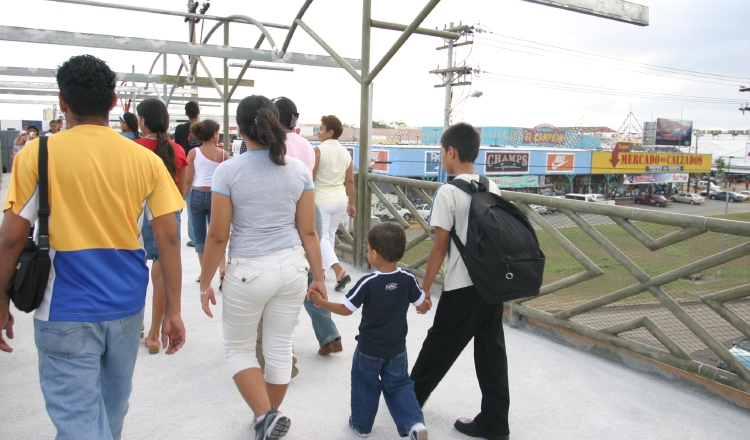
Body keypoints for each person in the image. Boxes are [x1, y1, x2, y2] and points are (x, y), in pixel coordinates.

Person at [0, 54, 186, 439]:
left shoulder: (37, 153)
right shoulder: (145, 159)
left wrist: (1, 301)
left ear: (62, 101)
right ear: (115, 101)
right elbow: (168, 239)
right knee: (111, 415)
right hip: (127, 306)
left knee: (80, 424)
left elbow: (11, 239)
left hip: (63, 308)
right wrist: (173, 310)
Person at [198, 95, 326, 440]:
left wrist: (205, 281)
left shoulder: (228, 171)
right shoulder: (298, 169)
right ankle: (268, 418)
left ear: (239, 129)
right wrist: (320, 276)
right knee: (280, 348)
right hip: (293, 268)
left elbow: (218, 236)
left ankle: (263, 415)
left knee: (238, 349)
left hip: (247, 271)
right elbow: (309, 230)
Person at [410, 122, 511, 440]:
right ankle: (495, 422)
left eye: (442, 152)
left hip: (462, 286)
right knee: (491, 353)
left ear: (451, 152)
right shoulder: (491, 185)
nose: (442, 157)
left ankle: (408, 402)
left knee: (438, 345)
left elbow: (439, 247)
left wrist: (424, 289)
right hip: (491, 285)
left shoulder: (449, 191)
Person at [310, 222, 431, 440]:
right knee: (400, 385)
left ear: (374, 253)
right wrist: (424, 307)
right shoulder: (407, 278)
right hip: (396, 349)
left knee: (365, 384)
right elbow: (423, 303)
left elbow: (346, 309)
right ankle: (414, 424)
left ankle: (362, 426)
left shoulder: (368, 282)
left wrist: (321, 302)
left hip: (369, 349)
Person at [274, 96, 342, 356]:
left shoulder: (273, 144)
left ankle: (282, 345)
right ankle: (329, 335)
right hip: (311, 208)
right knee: (313, 277)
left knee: (286, 277)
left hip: (288, 213)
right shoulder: (307, 145)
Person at [134, 98, 190, 354]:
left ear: (143, 121)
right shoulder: (177, 150)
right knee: (160, 276)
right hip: (167, 213)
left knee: (135, 271)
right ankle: (155, 335)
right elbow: (181, 189)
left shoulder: (133, 148)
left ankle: (137, 326)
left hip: (137, 214)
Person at [313, 114, 356, 292]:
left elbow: (311, 177)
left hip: (322, 200)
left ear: (330, 132)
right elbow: (350, 181)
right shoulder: (346, 152)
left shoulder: (318, 151)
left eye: (321, 129)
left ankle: (339, 270)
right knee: (329, 236)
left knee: (320, 237)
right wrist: (352, 204)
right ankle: (322, 271)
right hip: (340, 200)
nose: (318, 132)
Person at [184, 119, 228, 285]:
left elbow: (188, 179)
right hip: (217, 196)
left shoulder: (194, 153)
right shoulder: (223, 155)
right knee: (217, 234)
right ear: (214, 134)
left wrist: (182, 199)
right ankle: (222, 267)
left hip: (197, 194)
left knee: (200, 235)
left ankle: (205, 273)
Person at [174, 101, 202, 248]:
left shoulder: (180, 129)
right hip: (203, 167)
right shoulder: (206, 128)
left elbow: (177, 148)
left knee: (191, 204)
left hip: (187, 167)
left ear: (186, 113)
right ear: (199, 112)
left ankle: (194, 237)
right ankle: (204, 234)